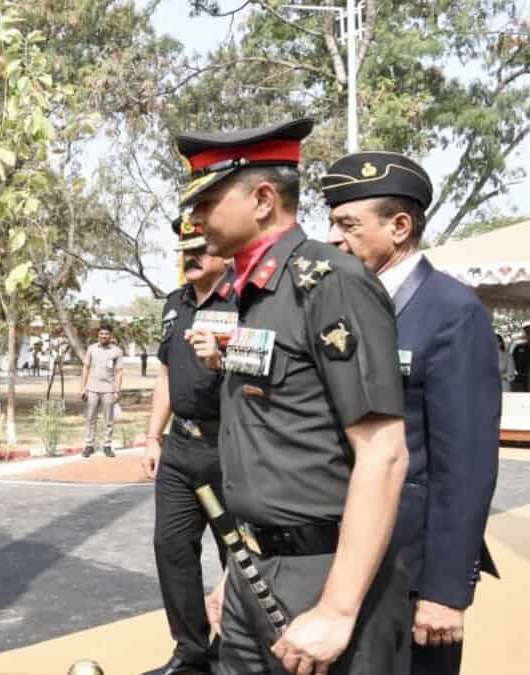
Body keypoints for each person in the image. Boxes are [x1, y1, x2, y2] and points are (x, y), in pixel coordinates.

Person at [181, 118, 411, 675]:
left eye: (209, 201)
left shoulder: (331, 282)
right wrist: (240, 570)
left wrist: (336, 608)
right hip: (254, 570)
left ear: (263, 199)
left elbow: (384, 451)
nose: (195, 218)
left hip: (325, 575)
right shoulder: (253, 294)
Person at [322, 151, 500, 675]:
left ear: (400, 227)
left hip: (412, 565)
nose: (333, 236)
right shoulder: (344, 302)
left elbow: (465, 466)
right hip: (347, 554)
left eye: (348, 224)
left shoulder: (452, 312)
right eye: (332, 222)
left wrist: (445, 591)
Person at [140, 215, 235, 675]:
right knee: (171, 548)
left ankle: (232, 652)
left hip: (230, 447)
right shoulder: (174, 303)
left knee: (238, 554)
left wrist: (225, 357)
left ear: (225, 249)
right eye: (184, 247)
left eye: (200, 246)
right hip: (180, 447)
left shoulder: (248, 299)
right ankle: (191, 652)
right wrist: (152, 437)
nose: (189, 255)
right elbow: (164, 373)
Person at [79, 324, 124, 458]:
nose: (103, 336)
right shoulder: (91, 349)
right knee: (90, 418)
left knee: (108, 419)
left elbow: (119, 371)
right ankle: (89, 445)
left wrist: (117, 390)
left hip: (108, 390)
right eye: (101, 334)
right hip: (92, 388)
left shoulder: (117, 351)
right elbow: (85, 368)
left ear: (110, 335)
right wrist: (82, 388)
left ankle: (107, 445)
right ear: (98, 335)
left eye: (106, 334)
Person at [512, 322, 530, 391]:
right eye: (527, 332)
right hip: (521, 378)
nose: (528, 334)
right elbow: (512, 361)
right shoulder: (518, 347)